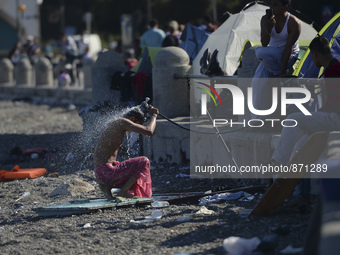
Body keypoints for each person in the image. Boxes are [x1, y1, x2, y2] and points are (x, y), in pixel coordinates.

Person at [271, 36, 340, 205]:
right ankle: (302, 196)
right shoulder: (332, 69)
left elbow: (335, 104)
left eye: (311, 56)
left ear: (315, 53)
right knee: (301, 148)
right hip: (332, 116)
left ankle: (279, 162)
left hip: (336, 118)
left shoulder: (334, 71)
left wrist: (315, 118)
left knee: (293, 119)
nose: (312, 60)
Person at [94, 106, 159, 199]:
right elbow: (149, 131)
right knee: (143, 161)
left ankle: (106, 187)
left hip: (100, 174)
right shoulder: (122, 122)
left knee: (134, 176)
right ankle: (123, 192)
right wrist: (154, 116)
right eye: (137, 125)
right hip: (108, 172)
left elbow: (93, 149)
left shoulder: (111, 125)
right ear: (132, 119)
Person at [251, 0, 301, 119]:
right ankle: (256, 119)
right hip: (271, 58)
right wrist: (269, 27)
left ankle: (277, 73)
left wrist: (282, 72)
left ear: (285, 7)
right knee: (256, 82)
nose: (272, 7)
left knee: (260, 52)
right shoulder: (265, 19)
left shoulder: (293, 23)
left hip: (288, 57)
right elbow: (264, 43)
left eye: (276, 5)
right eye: (271, 4)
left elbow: (288, 49)